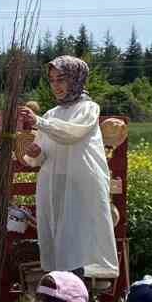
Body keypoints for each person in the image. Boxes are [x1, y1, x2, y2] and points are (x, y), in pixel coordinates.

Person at [19, 56, 120, 281]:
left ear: (76, 79)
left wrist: (39, 122)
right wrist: (35, 153)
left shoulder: (89, 108)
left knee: (80, 240)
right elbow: (41, 154)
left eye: (62, 79)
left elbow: (71, 133)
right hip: (55, 186)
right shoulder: (51, 114)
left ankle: (82, 294)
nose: (56, 85)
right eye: (52, 80)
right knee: (59, 239)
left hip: (81, 186)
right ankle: (62, 293)